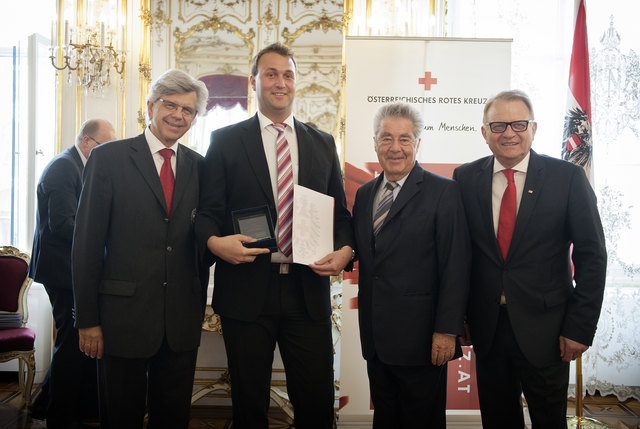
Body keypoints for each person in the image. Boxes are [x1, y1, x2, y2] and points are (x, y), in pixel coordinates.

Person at [195, 42, 355, 429]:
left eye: (287, 74)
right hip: (247, 288)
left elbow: (341, 216)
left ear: (296, 82)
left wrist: (346, 250)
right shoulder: (226, 141)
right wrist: (216, 244)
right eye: (271, 74)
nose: (280, 83)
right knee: (249, 404)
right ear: (255, 82)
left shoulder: (322, 142)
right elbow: (207, 215)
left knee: (316, 402)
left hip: (306, 292)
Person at [453, 89, 607, 429]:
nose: (509, 133)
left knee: (549, 420)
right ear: (484, 133)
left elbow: (592, 257)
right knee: (498, 420)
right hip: (488, 328)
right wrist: (458, 316)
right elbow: (460, 256)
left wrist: (580, 327)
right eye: (498, 125)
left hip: (549, 331)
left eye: (519, 124)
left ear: (533, 129)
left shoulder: (567, 179)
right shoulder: (464, 179)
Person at [72, 69, 210, 429]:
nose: (178, 115)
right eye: (170, 105)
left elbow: (201, 242)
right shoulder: (109, 159)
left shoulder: (200, 167)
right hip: (122, 319)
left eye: (188, 110)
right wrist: (87, 319)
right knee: (121, 417)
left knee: (173, 418)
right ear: (150, 107)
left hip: (180, 321)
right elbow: (86, 244)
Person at [352, 103, 470, 428]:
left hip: (423, 341)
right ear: (375, 141)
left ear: (418, 144)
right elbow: (361, 252)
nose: (395, 148)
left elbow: (456, 266)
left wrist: (447, 331)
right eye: (386, 138)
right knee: (386, 420)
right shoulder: (364, 195)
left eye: (405, 139)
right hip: (376, 340)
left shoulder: (444, 192)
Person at [29, 119, 115, 428]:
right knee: (71, 343)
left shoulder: (77, 166)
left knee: (74, 342)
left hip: (68, 269)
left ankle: (50, 405)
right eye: (105, 147)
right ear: (89, 142)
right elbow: (62, 224)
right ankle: (60, 416)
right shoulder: (64, 167)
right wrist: (102, 238)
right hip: (62, 271)